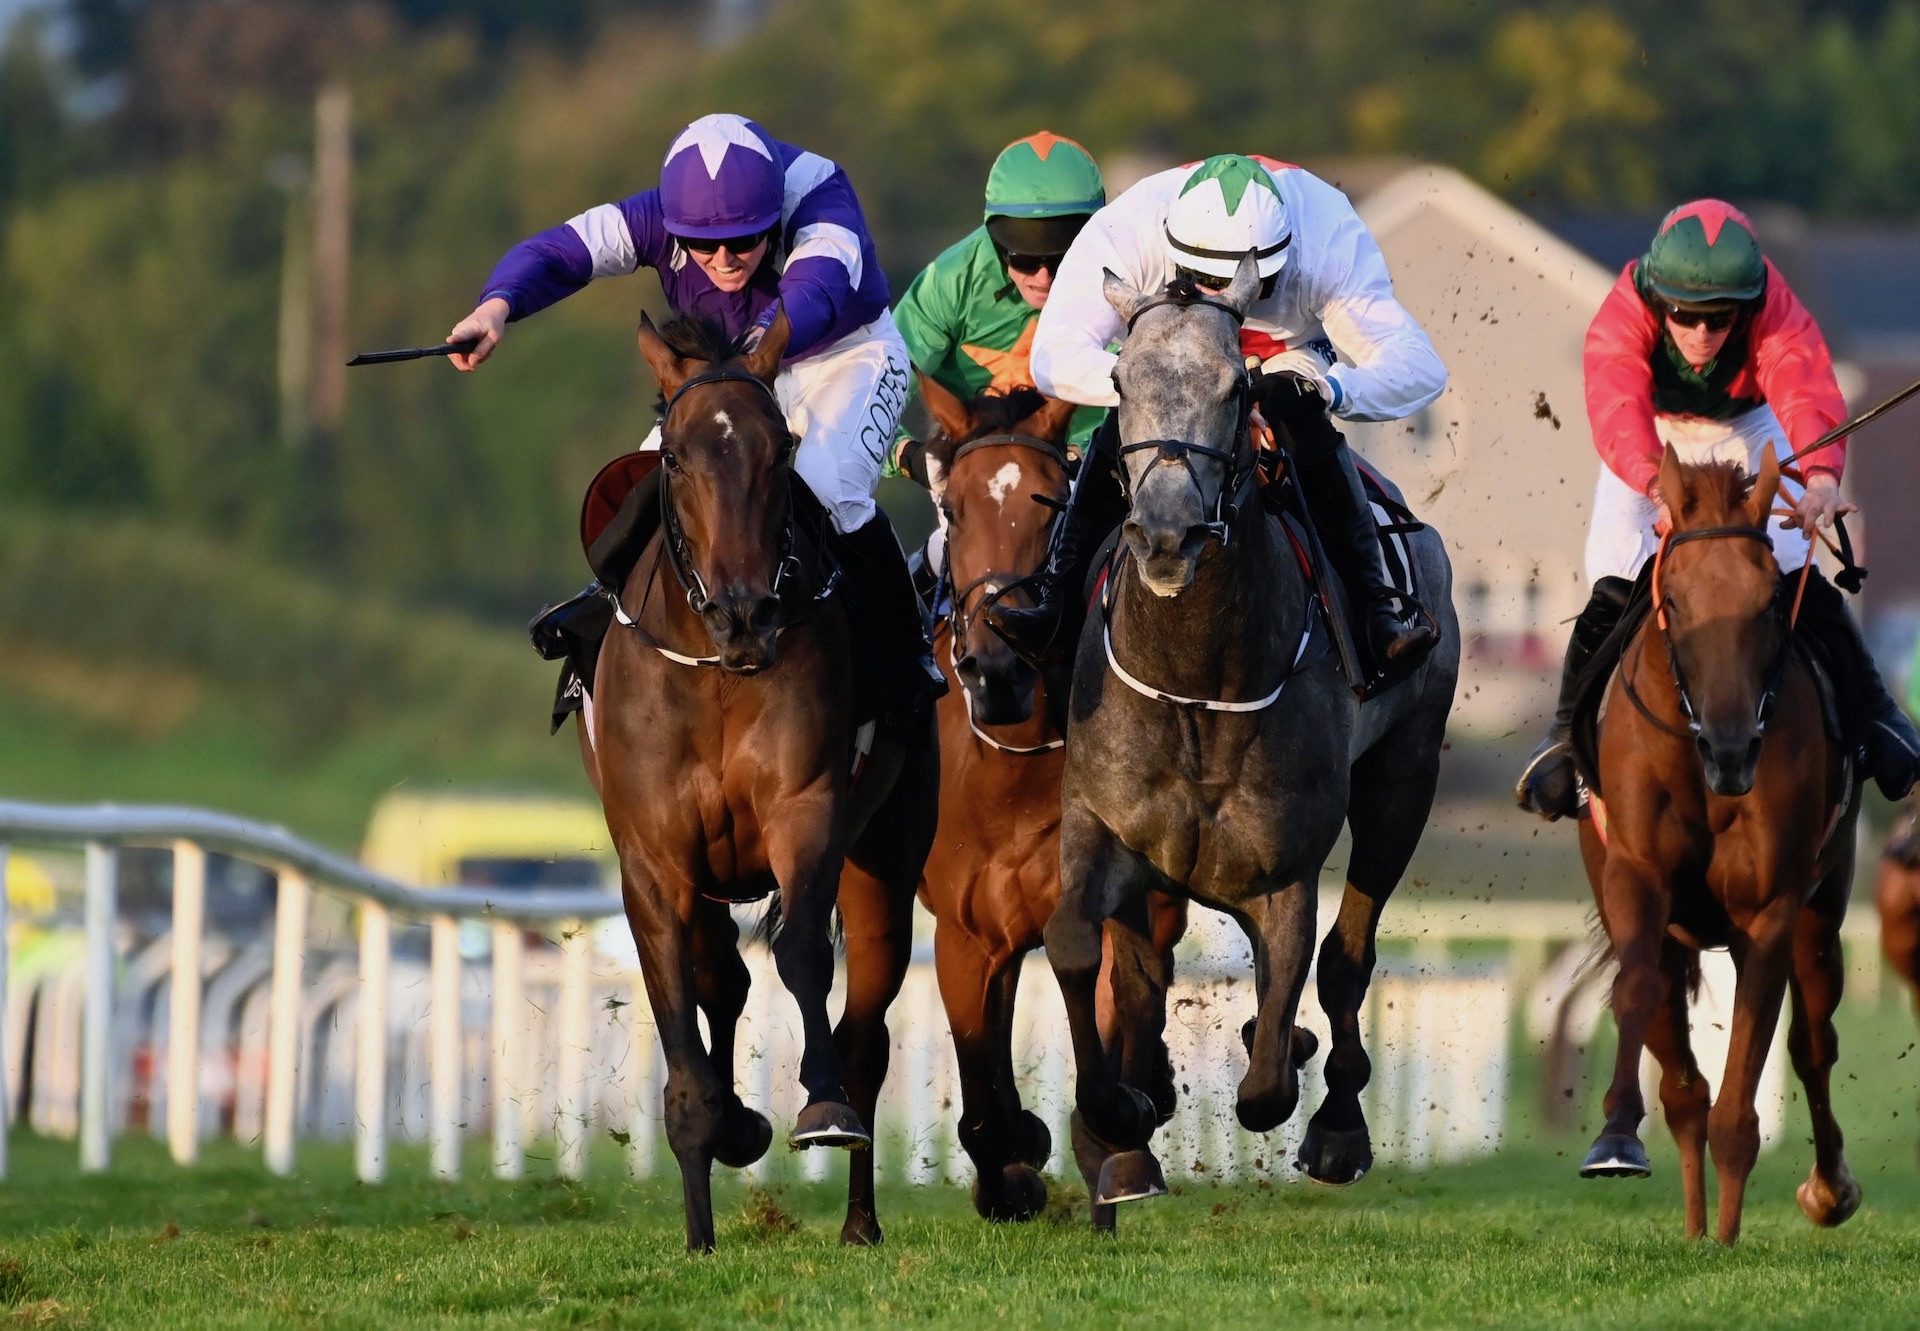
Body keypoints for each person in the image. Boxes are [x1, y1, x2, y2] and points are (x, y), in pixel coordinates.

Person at [450, 112, 944, 718]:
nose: (724, 259)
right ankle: (601, 619)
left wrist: (748, 355)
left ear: (774, 212)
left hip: (843, 355)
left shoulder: (818, 190)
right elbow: (560, 251)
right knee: (652, 478)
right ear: (676, 224)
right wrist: (498, 304)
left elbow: (811, 294)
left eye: (745, 240)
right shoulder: (659, 212)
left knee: (824, 485)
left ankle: (906, 646)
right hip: (730, 371)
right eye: (704, 245)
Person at [1516, 199, 1920, 819]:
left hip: (1751, 431)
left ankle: (1877, 719)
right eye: (1685, 316)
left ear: (1748, 304)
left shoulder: (1774, 303)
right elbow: (1618, 406)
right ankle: (1566, 737)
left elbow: (1802, 382)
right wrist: (1657, 486)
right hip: (1653, 444)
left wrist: (1819, 478)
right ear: (1658, 297)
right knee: (1617, 578)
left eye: (1721, 318)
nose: (1702, 333)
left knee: (1787, 575)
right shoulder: (1623, 310)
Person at [990, 152, 1445, 672]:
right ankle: (1057, 603)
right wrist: (1156, 385)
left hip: (1285, 354)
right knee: (1125, 421)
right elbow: (1054, 360)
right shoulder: (1129, 225)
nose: (1222, 299)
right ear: (1172, 249)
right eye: (1201, 279)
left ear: (1282, 261)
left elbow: (1420, 368)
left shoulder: (1329, 236)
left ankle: (1375, 611)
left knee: (1301, 420)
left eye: (1250, 290)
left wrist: (1330, 388)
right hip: (1172, 354)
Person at [890, 131, 1108, 541]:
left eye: (1061, 259)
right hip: (980, 482)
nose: (1044, 278)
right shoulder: (951, 281)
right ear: (998, 242)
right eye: (1026, 259)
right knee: (939, 560)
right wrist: (911, 457)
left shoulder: (1128, 274)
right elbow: (868, 397)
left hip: (1094, 477)